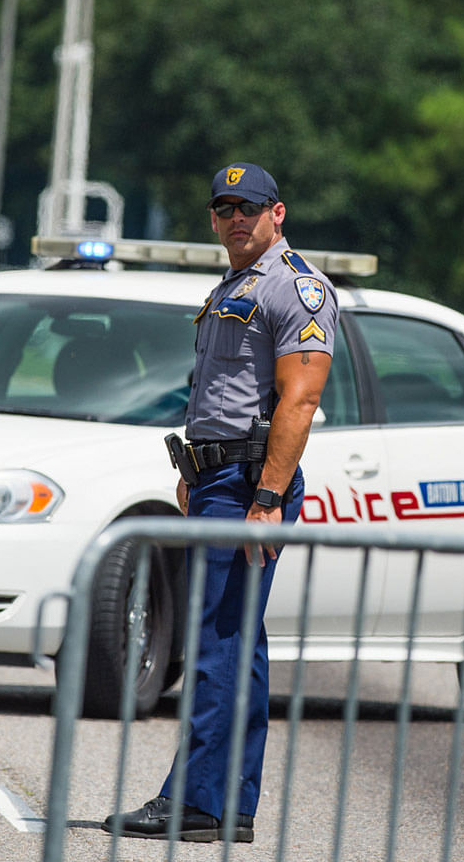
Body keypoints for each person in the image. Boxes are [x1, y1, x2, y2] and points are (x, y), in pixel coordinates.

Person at [103, 161, 338, 843]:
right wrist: (194, 469)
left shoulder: (297, 290)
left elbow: (300, 397)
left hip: (245, 488)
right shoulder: (233, 286)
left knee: (215, 643)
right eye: (222, 207)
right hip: (216, 481)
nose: (235, 218)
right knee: (237, 645)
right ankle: (227, 802)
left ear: (278, 213)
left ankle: (197, 804)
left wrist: (265, 496)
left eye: (249, 206)